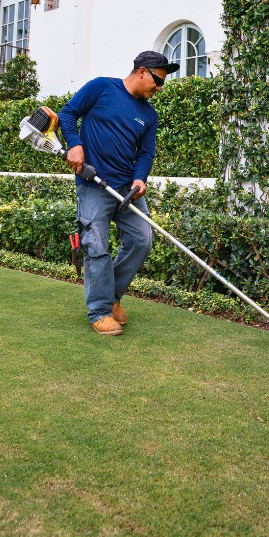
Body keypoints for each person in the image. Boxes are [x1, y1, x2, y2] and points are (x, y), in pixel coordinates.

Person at [57, 51, 177, 335]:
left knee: (142, 240)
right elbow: (67, 113)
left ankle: (111, 298)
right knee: (97, 247)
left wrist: (140, 180)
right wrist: (74, 144)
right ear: (143, 72)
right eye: (158, 81)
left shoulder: (149, 115)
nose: (159, 88)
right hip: (93, 186)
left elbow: (146, 153)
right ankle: (99, 311)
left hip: (126, 190)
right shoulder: (102, 87)